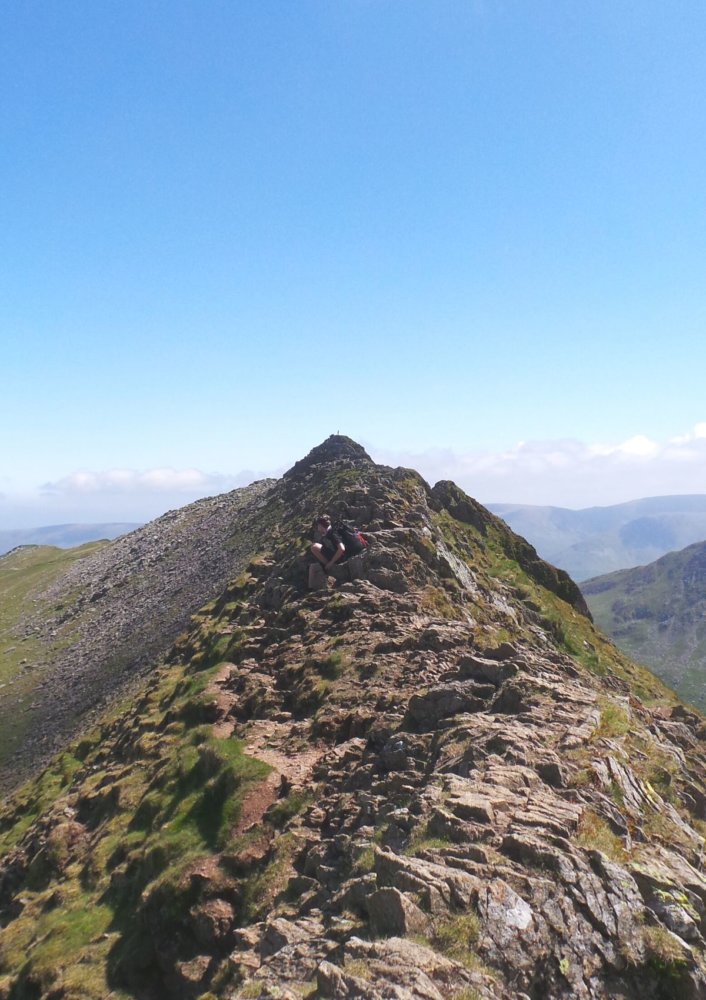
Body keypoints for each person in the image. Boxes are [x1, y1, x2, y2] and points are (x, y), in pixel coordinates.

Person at [308, 515, 346, 588]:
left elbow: (341, 548)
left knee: (314, 547)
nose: (317, 528)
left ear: (321, 525)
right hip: (336, 555)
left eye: (318, 525)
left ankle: (327, 566)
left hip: (340, 558)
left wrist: (331, 563)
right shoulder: (329, 531)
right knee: (312, 567)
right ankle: (310, 589)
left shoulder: (332, 533)